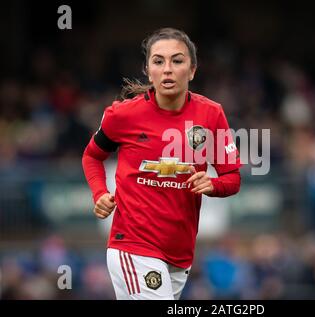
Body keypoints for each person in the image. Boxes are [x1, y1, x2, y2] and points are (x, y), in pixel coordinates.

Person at [82, 27, 242, 300]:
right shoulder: (123, 115)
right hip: (132, 245)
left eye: (177, 61)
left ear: (192, 70)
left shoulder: (211, 114)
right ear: (148, 70)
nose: (167, 69)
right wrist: (99, 193)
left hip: (179, 254)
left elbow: (232, 178)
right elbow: (92, 156)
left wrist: (212, 184)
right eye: (158, 61)